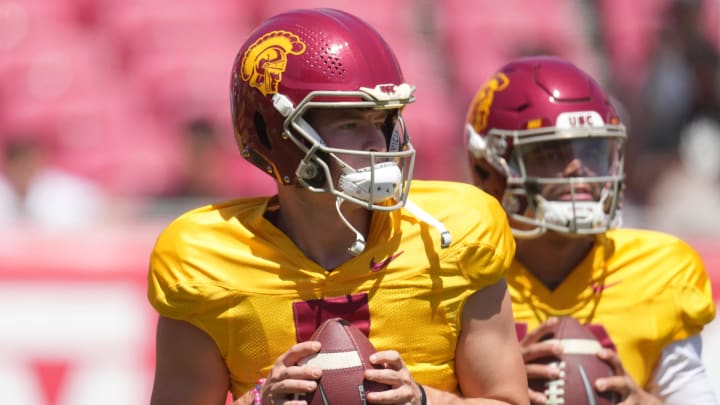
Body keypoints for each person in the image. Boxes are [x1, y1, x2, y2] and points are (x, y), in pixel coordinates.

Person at [148, 8, 528, 405]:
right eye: (348, 123)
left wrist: (424, 399)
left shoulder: (453, 236)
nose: (376, 145)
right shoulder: (205, 261)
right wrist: (258, 401)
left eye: (381, 121)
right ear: (274, 132)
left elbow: (506, 400)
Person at [464, 55, 717, 404]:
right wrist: (490, 384)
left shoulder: (660, 269)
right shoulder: (459, 270)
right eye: (551, 152)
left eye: (592, 151)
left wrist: (641, 401)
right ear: (488, 172)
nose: (578, 169)